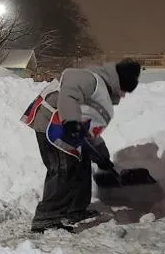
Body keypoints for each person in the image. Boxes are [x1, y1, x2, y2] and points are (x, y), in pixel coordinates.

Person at [20, 59, 141, 232]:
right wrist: (70, 120)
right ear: (119, 82)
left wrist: (102, 157)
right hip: (50, 124)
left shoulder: (101, 95)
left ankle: (74, 210)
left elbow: (90, 131)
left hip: (66, 128)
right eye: (125, 90)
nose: (123, 96)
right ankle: (46, 218)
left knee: (82, 165)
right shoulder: (89, 78)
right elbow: (69, 92)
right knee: (64, 170)